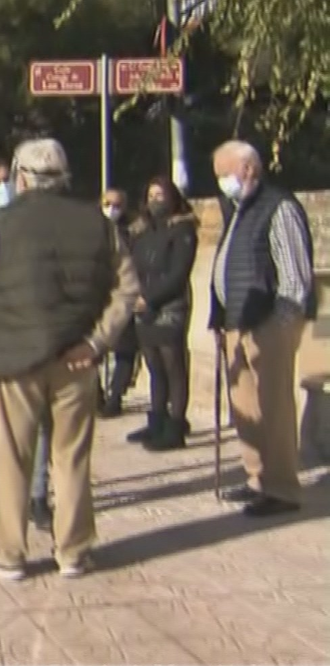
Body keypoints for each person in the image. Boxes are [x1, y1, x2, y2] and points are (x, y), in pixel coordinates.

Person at [0, 138, 139, 579]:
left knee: (12, 457)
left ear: (21, 177)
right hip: (77, 358)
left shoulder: (2, 225)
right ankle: (74, 552)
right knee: (71, 458)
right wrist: (97, 343)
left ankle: (9, 554)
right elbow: (126, 288)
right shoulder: (98, 224)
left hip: (16, 361)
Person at [209, 140, 316, 517]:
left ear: (249, 169)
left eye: (225, 174)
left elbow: (294, 275)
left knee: (274, 407)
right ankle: (257, 478)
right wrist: (218, 318)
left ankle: (283, 488)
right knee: (245, 408)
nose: (222, 182)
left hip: (269, 322)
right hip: (239, 322)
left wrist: (281, 326)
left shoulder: (278, 206)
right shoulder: (239, 209)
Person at [0, 159, 53, 532]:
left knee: (39, 423)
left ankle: (38, 496)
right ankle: (4, 499)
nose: (2, 187)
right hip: (0, 340)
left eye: (6, 180)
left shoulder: (34, 223)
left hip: (36, 336)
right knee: (4, 430)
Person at [128, 177, 199, 451]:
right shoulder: (143, 232)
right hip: (141, 307)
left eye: (161, 195)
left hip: (169, 306)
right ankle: (156, 420)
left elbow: (178, 273)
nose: (155, 200)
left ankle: (176, 425)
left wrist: (150, 298)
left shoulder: (182, 230)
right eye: (151, 195)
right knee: (153, 365)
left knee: (174, 366)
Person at [98, 189, 142, 419]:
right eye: (107, 203)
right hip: (95, 298)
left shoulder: (134, 233)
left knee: (125, 350)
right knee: (92, 348)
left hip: (122, 298)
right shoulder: (89, 230)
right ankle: (96, 396)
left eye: (116, 204)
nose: (111, 209)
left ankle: (115, 397)